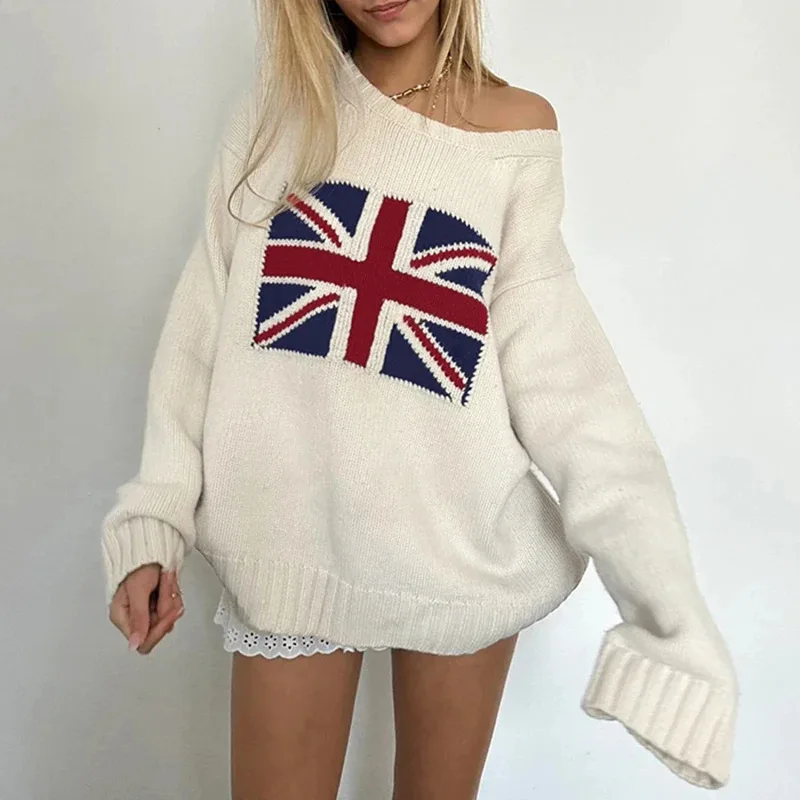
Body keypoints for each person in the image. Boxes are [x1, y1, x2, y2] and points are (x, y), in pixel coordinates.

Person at [101, 1, 739, 797]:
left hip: (462, 555)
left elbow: (571, 390)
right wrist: (154, 521)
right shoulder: (275, 119)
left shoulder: (513, 136)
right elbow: (198, 334)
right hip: (289, 546)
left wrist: (671, 619)